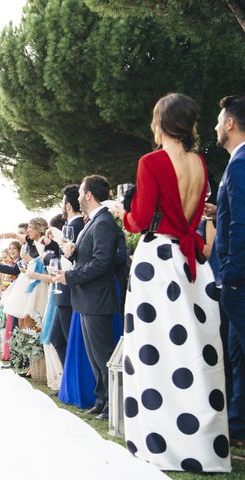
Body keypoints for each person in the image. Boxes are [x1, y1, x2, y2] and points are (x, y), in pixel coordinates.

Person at [122, 93, 229, 472]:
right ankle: (201, 442)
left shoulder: (151, 162)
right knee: (194, 352)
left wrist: (126, 213)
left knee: (154, 352)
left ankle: (161, 441)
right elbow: (196, 213)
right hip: (192, 262)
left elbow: (139, 218)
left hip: (157, 261)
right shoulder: (200, 163)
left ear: (160, 122)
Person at [55, 175, 118, 422]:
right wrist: (72, 254)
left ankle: (112, 404)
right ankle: (100, 400)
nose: (78, 197)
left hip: (97, 298)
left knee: (103, 355)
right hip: (86, 298)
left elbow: (103, 262)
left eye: (81, 192)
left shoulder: (103, 222)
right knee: (93, 356)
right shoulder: (92, 222)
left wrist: (70, 277)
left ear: (89, 194)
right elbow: (87, 258)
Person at [211, 94, 245, 451]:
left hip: (239, 281)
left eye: (219, 121)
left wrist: (232, 274)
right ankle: (237, 426)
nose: (216, 127)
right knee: (236, 357)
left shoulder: (240, 163)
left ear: (231, 124)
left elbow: (242, 225)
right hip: (235, 280)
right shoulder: (237, 164)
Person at [49, 184, 85, 366]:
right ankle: (67, 383)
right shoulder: (71, 226)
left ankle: (72, 385)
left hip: (69, 289)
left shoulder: (77, 226)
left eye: (63, 203)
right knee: (57, 337)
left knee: (68, 340)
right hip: (62, 289)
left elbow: (74, 258)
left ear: (68, 205)